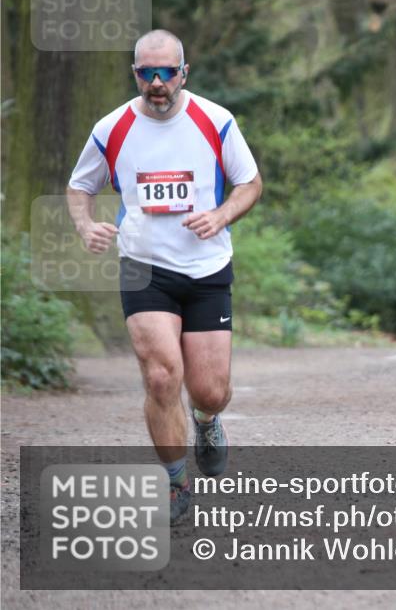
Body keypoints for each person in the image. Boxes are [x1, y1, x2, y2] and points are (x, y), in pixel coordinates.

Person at [67, 30, 263, 523]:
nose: (157, 82)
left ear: (183, 73)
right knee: (160, 377)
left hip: (206, 268)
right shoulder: (111, 128)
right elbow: (79, 186)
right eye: (146, 73)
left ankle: (207, 420)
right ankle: (176, 483)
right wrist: (86, 226)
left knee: (210, 389)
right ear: (135, 74)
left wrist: (221, 215)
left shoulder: (215, 120)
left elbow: (249, 182)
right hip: (143, 268)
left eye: (167, 72)